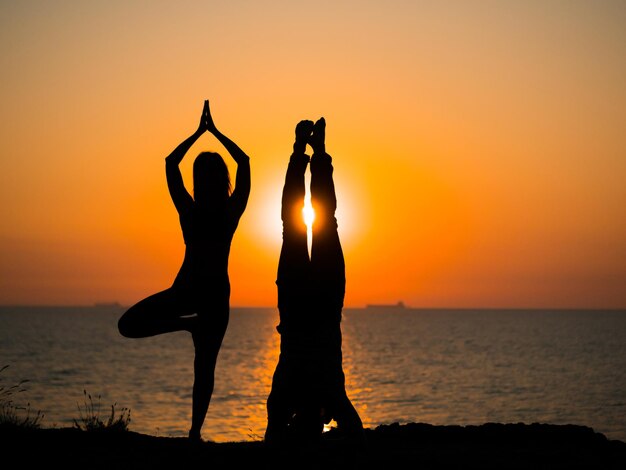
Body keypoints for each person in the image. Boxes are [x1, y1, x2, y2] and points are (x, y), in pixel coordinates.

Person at [118, 99, 250, 441]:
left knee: (130, 326)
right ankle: (194, 434)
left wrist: (199, 133)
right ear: (223, 179)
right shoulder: (229, 212)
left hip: (189, 291)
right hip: (212, 296)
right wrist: (216, 134)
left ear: (200, 180)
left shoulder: (189, 210)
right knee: (204, 369)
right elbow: (245, 162)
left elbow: (170, 163)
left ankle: (194, 432)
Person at [265, 117, 364, 446]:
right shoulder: (330, 393)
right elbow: (353, 428)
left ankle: (306, 151)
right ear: (323, 418)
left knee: (299, 227)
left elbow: (274, 431)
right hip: (321, 303)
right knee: (315, 225)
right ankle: (315, 151)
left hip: (299, 305)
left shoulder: (289, 396)